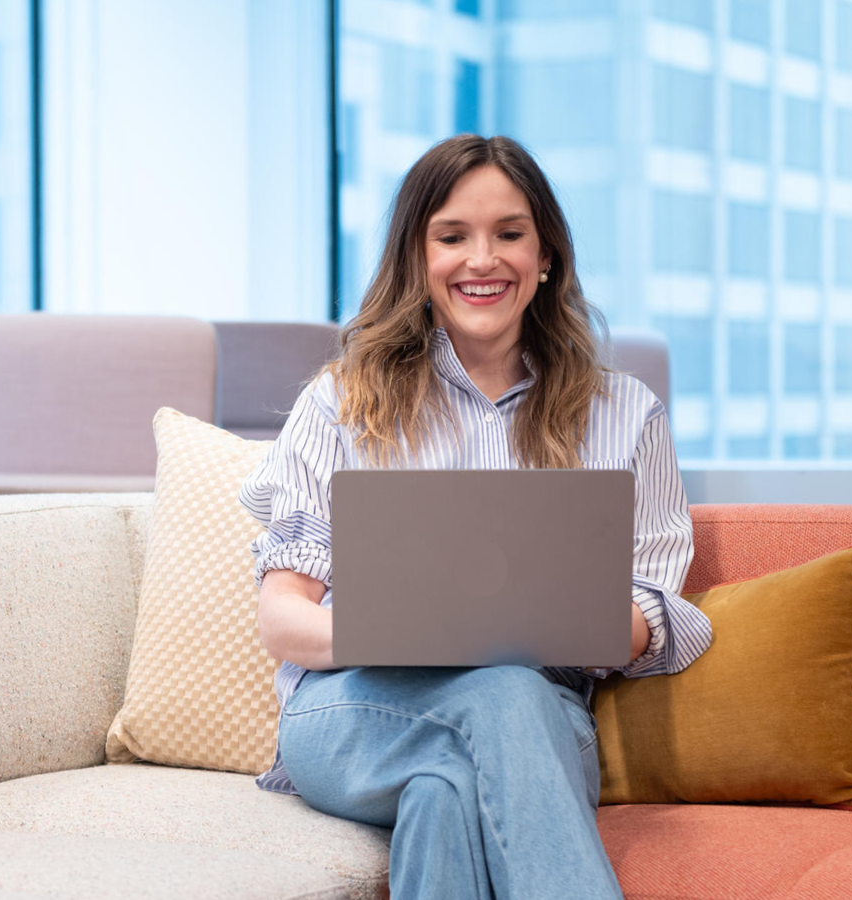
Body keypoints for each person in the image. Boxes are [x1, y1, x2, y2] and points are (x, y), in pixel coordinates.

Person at [238, 134, 714, 900]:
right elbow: (283, 618)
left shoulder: (626, 414)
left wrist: (543, 625)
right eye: (452, 236)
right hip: (357, 710)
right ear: (418, 258)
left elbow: (652, 607)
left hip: (544, 719)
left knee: (448, 789)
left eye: (509, 234)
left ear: (545, 254)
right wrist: (403, 630)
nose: (482, 259)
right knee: (504, 694)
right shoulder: (340, 402)